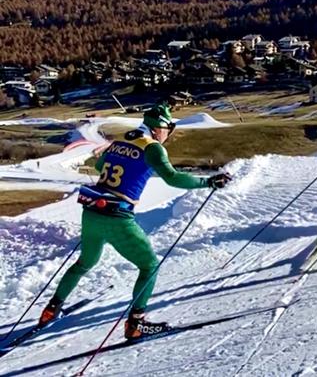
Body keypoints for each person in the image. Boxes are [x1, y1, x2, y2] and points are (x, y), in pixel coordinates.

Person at [38, 104, 231, 340]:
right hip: (117, 216)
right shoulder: (153, 148)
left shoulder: (121, 142)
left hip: (92, 212)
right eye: (168, 128)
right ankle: (136, 324)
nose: (168, 133)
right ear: (159, 127)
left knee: (84, 263)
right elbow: (173, 178)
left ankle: (50, 310)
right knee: (149, 265)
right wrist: (207, 183)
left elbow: (99, 166)